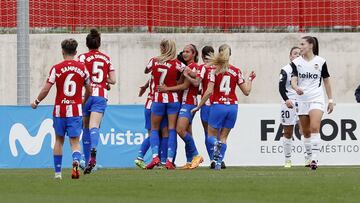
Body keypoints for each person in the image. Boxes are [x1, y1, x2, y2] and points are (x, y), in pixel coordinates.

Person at [31, 38, 91, 179]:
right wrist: (83, 100)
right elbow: (89, 88)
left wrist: (36, 101)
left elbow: (46, 88)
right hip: (75, 110)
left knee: (59, 140)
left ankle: (58, 174)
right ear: (75, 52)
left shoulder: (56, 68)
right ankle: (76, 161)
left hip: (60, 110)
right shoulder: (82, 68)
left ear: (62, 51)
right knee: (75, 141)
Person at [192, 44, 256, 170]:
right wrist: (250, 79)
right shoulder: (236, 71)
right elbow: (247, 92)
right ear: (230, 54)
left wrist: (198, 106)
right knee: (224, 137)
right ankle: (218, 162)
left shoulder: (214, 70)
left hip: (218, 106)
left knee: (211, 136)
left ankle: (216, 146)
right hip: (233, 107)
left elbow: (209, 91)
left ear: (219, 54)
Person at [291, 36, 334, 170]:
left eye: (303, 44)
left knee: (315, 127)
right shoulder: (296, 62)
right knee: (305, 131)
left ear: (311, 45)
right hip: (302, 100)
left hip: (316, 98)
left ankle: (314, 159)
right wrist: (296, 87)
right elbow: (293, 80)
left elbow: (326, 81)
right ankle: (308, 157)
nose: (300, 47)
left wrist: (330, 100)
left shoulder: (321, 61)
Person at [158, 44, 203, 169]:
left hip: (188, 102)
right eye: (184, 51)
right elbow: (181, 83)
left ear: (194, 54)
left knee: (180, 130)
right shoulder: (187, 67)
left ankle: (196, 155)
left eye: (188, 51)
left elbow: (184, 86)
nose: (184, 53)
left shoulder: (192, 66)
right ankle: (190, 161)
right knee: (187, 131)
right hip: (187, 102)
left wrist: (167, 89)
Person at [78, 29, 116, 174]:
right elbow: (113, 80)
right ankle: (93, 159)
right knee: (94, 126)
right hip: (100, 94)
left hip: (86, 95)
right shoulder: (106, 58)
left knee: (85, 127)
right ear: (99, 44)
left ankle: (86, 160)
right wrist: (102, 80)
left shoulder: (82, 58)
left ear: (87, 44)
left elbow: (79, 75)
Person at [146, 39, 186, 170]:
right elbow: (190, 74)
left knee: (154, 129)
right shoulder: (178, 64)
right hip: (173, 99)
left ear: (163, 48)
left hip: (158, 99)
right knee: (171, 129)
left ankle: (155, 157)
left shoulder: (154, 61)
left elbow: (146, 71)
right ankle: (169, 160)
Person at [279, 46, 301, 168]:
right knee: (288, 131)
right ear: (290, 56)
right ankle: (288, 160)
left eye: (299, 53)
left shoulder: (305, 69)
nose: (297, 55)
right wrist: (286, 99)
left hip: (302, 102)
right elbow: (281, 87)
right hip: (288, 103)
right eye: (295, 53)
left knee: (305, 130)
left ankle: (309, 159)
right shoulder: (285, 70)